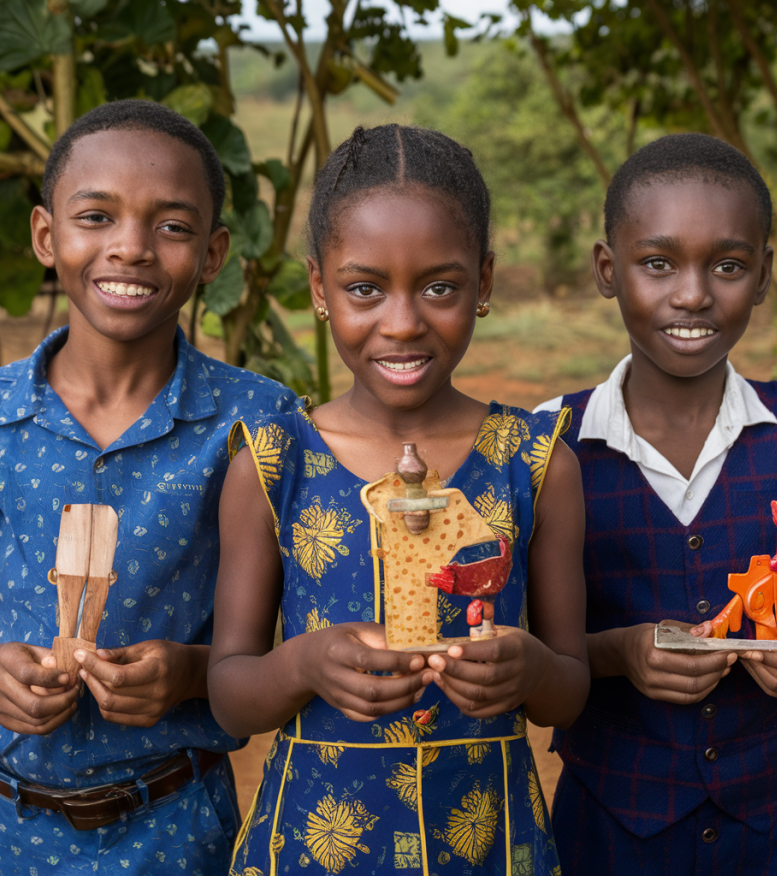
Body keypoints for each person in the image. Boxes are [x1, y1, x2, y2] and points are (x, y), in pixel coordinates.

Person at [208, 124, 589, 875]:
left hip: (491, 847)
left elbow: (569, 691)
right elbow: (230, 696)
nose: (404, 320)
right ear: (320, 289)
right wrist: (305, 665)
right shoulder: (273, 463)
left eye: (439, 286)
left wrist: (528, 670)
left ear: (483, 282)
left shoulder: (537, 462)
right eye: (364, 288)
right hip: (311, 851)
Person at [0, 100, 295, 874]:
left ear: (215, 254)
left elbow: (301, 627)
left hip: (178, 824)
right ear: (47, 238)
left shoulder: (258, 420)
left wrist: (187, 673)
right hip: (0, 828)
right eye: (96, 216)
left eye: (172, 227)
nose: (131, 248)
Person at [535, 133, 777, 874]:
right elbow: (524, 649)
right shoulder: (546, 442)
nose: (693, 293)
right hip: (608, 831)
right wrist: (619, 654)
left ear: (764, 275)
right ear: (609, 271)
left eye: (729, 265)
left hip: (775, 828)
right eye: (658, 263)